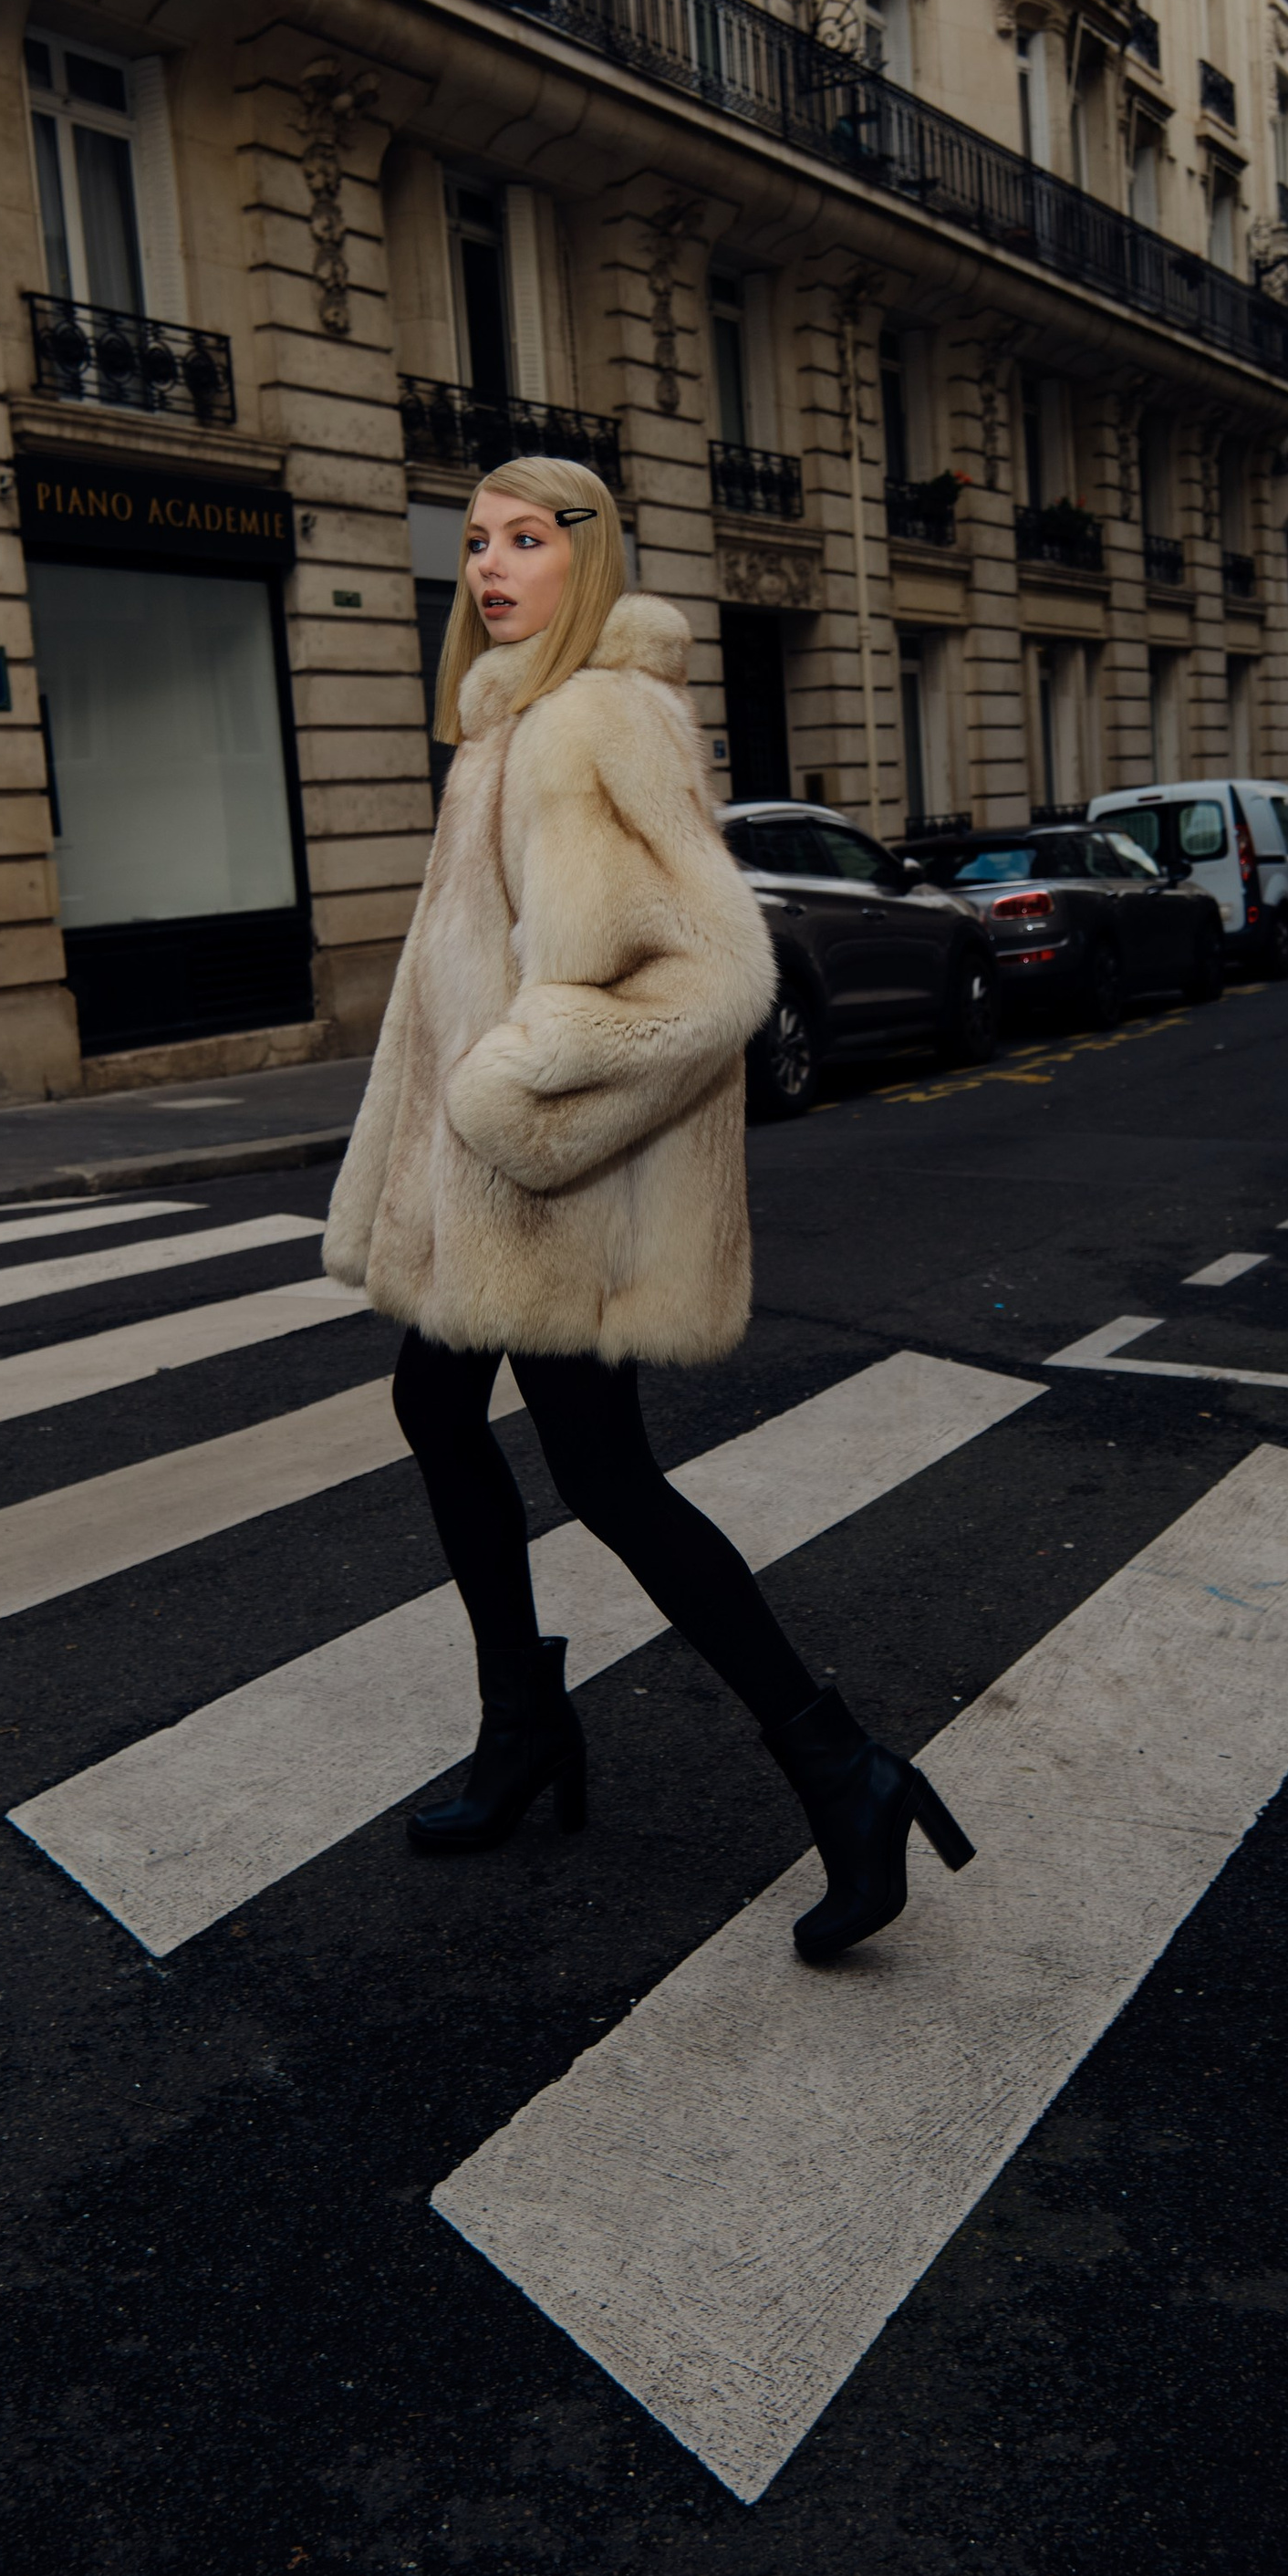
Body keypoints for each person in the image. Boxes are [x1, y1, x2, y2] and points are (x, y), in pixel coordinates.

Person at [322, 454, 973, 1965]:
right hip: (486, 1192)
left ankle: (838, 1768)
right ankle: (529, 1721)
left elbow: (711, 972)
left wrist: (519, 1087)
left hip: (546, 1189)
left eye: (528, 541)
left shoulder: (593, 721)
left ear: (590, 559)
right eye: (478, 542)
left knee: (607, 1483)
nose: (491, 566)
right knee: (436, 1404)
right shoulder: (502, 728)